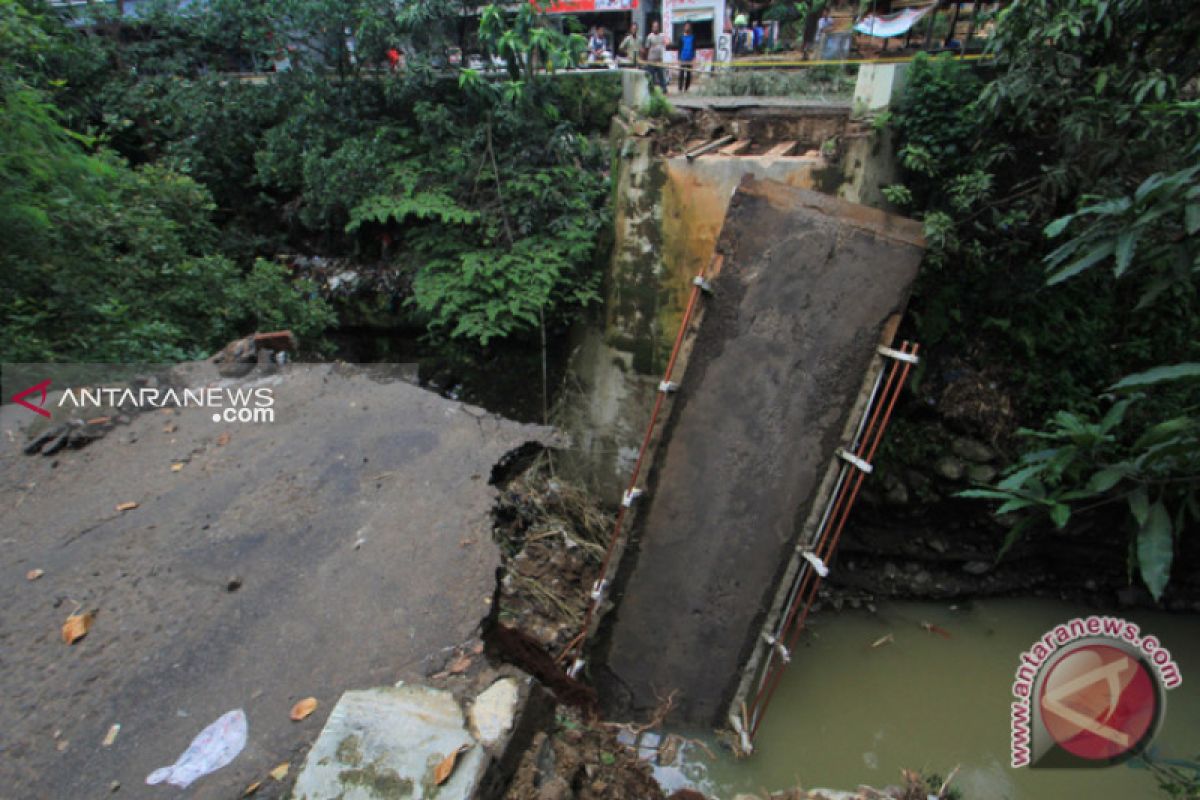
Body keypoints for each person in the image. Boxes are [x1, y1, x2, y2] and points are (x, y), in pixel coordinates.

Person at [644, 21, 668, 93]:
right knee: (651, 77)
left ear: (659, 27)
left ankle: (664, 89)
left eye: (657, 27)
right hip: (651, 60)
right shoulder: (650, 36)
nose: (655, 28)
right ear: (652, 28)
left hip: (659, 60)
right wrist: (646, 60)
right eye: (654, 27)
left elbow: (667, 42)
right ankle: (650, 90)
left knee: (661, 76)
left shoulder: (662, 36)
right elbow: (646, 48)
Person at [677, 22, 695, 92]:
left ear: (690, 28)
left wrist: (694, 57)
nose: (687, 28)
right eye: (686, 26)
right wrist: (679, 58)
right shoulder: (681, 37)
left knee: (688, 74)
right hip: (682, 58)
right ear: (684, 28)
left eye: (688, 26)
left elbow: (694, 48)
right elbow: (679, 48)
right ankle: (680, 88)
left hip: (690, 58)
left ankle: (686, 89)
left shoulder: (693, 37)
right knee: (681, 73)